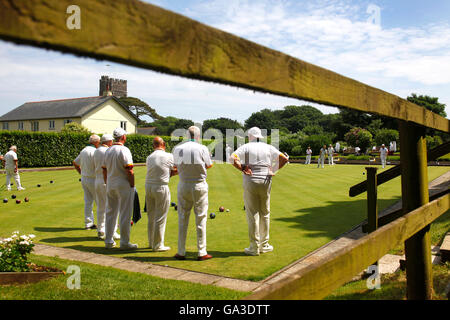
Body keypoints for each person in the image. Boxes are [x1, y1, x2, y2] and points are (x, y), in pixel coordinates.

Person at [230, 127, 288, 256]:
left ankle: (254, 247)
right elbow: (284, 158)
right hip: (266, 179)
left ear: (250, 136)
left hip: (250, 179)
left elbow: (232, 158)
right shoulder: (268, 147)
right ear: (259, 136)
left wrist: (243, 168)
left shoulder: (245, 147)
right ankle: (264, 245)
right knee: (265, 213)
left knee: (252, 214)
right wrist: (273, 169)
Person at [172, 126, 213, 261]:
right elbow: (209, 165)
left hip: (183, 184)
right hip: (199, 184)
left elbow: (175, 166)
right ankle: (201, 252)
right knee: (201, 218)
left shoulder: (178, 148)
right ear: (198, 136)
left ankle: (181, 251)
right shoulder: (202, 148)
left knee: (183, 218)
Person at [102, 128, 137, 250]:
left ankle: (108, 241)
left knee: (110, 213)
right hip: (123, 184)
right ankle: (124, 242)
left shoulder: (108, 150)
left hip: (110, 184)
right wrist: (132, 185)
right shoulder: (124, 150)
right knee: (125, 213)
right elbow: (129, 170)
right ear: (123, 137)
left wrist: (107, 183)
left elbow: (104, 170)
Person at [145, 136, 177, 252]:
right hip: (161, 186)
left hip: (148, 187)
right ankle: (158, 245)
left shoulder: (149, 157)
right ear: (163, 144)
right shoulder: (169, 156)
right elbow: (174, 170)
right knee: (160, 217)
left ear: (154, 145)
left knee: (151, 216)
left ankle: (151, 242)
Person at [94, 134, 120, 240]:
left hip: (97, 180)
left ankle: (101, 229)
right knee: (112, 207)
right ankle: (112, 231)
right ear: (109, 142)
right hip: (106, 180)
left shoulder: (96, 151)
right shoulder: (107, 151)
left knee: (100, 206)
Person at [73, 135, 100, 229]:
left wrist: (81, 173)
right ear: (96, 142)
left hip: (84, 179)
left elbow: (75, 163)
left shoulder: (83, 150)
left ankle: (88, 224)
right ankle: (101, 225)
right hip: (93, 179)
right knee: (99, 202)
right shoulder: (95, 152)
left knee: (88, 202)